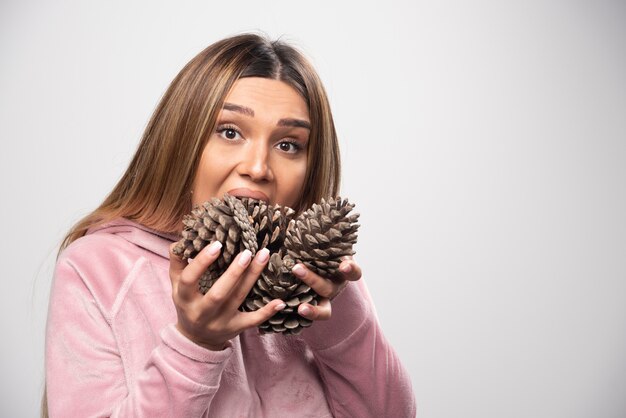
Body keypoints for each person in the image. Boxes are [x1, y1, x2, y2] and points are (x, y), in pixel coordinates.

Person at [43, 32, 416, 417]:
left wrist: (340, 316)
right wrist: (195, 343)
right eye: (230, 132)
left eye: (288, 144)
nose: (257, 168)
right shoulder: (97, 269)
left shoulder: (319, 273)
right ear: (181, 139)